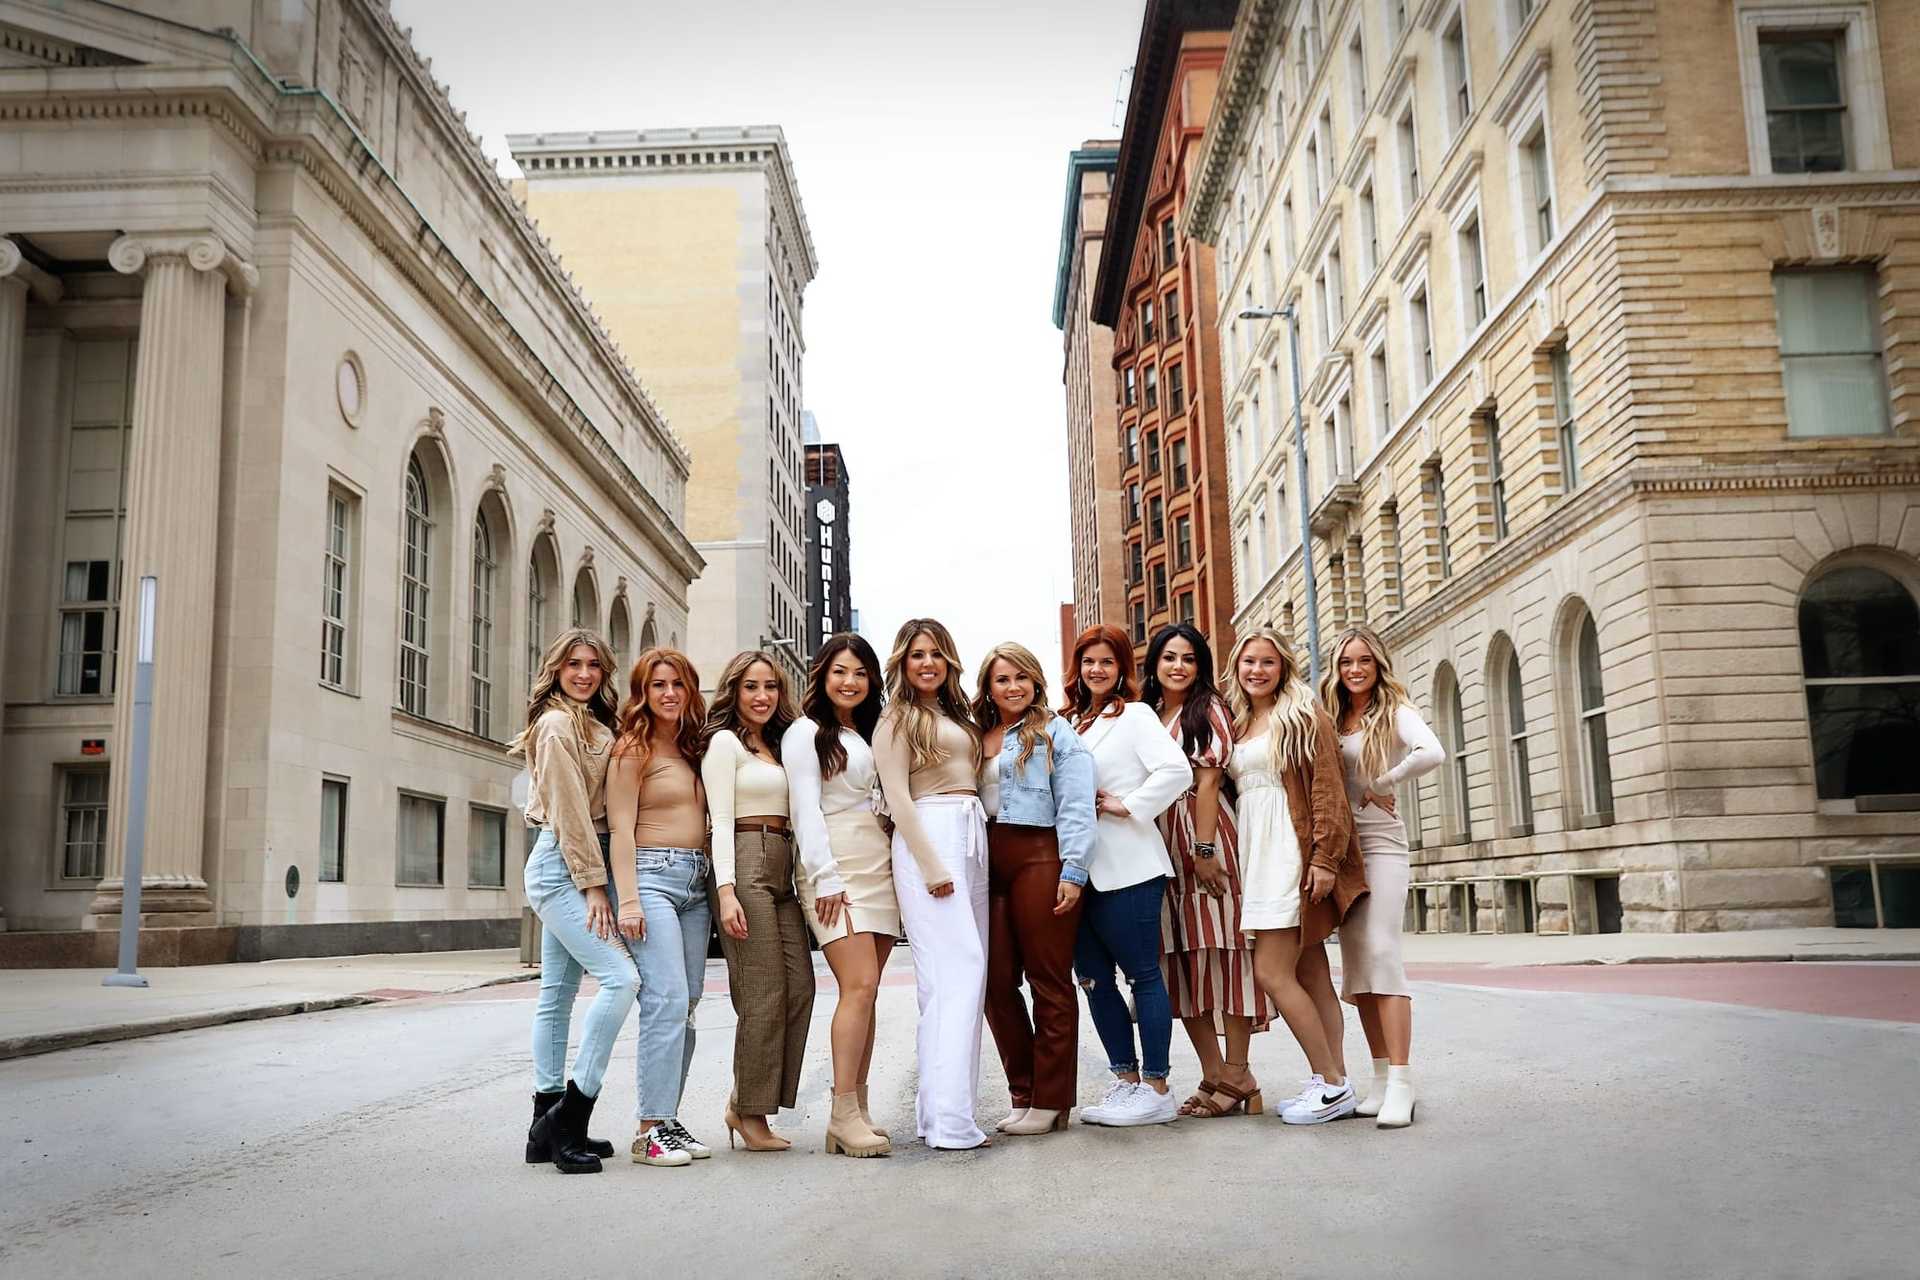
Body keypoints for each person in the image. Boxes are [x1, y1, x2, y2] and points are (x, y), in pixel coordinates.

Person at [1223, 627, 1369, 1126]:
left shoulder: (1303, 713)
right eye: (1248, 663)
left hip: (1288, 850)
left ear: (1282, 666)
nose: (1257, 671)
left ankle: (1329, 1083)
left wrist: (1325, 858)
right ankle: (1337, 1082)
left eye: (1266, 662)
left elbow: (1328, 788)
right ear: (1237, 668)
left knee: (1271, 973)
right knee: (1309, 973)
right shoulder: (1238, 721)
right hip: (1254, 852)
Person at [1139, 622, 1276, 1118]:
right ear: (1154, 664)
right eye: (1170, 657)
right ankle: (1215, 1071)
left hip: (1204, 831)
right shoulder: (1147, 714)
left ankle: (1239, 1071)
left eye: (1189, 658)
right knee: (1180, 956)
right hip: (1157, 843)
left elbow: (1210, 779)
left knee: (1224, 950)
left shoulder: (1207, 709)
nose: (1178, 666)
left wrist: (1204, 848)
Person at [1061, 624, 1192, 1128]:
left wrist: (1127, 805)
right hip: (1079, 871)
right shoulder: (1069, 721)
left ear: (1121, 670)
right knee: (1093, 980)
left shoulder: (1134, 716)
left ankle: (1157, 1086)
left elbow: (1176, 771)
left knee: (1142, 974)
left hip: (1130, 865)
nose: (1097, 670)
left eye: (1107, 662)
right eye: (1089, 661)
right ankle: (1126, 1081)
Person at [518, 627, 637, 1174]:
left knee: (558, 994)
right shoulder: (557, 724)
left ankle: (544, 1128)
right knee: (621, 979)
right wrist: (593, 885)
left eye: (594, 664)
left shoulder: (593, 722)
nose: (585, 673)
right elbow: (568, 811)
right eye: (574, 664)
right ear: (556, 669)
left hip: (582, 860)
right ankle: (568, 1117)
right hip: (563, 865)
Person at [1320, 626, 1445, 1129]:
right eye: (1347, 661)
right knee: (1358, 969)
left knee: (1383, 954)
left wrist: (1383, 782)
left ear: (1378, 665)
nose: (1355, 669)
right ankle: (1377, 1078)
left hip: (1382, 845)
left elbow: (1431, 752)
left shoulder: (1394, 712)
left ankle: (1402, 1081)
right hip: (1344, 853)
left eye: (1364, 661)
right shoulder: (1331, 716)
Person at [874, 617, 990, 1150]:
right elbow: (897, 798)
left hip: (970, 838)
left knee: (961, 979)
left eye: (936, 654)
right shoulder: (896, 718)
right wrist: (933, 866)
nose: (927, 663)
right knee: (954, 975)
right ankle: (950, 1121)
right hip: (932, 839)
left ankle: (941, 1114)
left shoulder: (954, 714)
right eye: (917, 654)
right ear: (903, 661)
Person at [971, 641, 1095, 1137]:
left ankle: (1051, 1100)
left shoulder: (1056, 733)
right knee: (996, 984)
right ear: (989, 687)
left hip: (1040, 856)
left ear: (1036, 681)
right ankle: (1022, 1093)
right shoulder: (975, 733)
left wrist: (1073, 870)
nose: (1013, 686)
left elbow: (1077, 803)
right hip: (987, 854)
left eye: (1022, 677)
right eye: (1003, 679)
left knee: (1049, 981)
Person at [782, 633, 897, 1158]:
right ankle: (841, 1112)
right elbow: (805, 808)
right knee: (860, 983)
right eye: (839, 672)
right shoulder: (806, 732)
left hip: (878, 862)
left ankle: (859, 1107)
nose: (849, 682)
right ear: (822, 676)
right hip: (835, 865)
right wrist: (824, 876)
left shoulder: (871, 732)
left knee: (868, 994)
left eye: (859, 673)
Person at [607, 646, 713, 1168]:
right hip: (650, 879)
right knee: (665, 998)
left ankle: (667, 1118)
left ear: (690, 689)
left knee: (688, 1001)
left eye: (676, 684)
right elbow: (621, 830)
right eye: (657, 685)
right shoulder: (632, 749)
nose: (669, 693)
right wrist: (627, 899)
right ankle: (649, 1128)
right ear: (643, 694)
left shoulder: (696, 747)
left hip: (697, 883)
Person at [703, 650, 813, 1152]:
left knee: (801, 987)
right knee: (763, 992)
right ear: (735, 691)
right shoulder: (725, 743)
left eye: (770, 686)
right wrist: (726, 891)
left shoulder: (781, 744)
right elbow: (720, 820)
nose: (762, 696)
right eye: (751, 686)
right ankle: (750, 1113)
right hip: (745, 859)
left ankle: (748, 1097)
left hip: (783, 863)